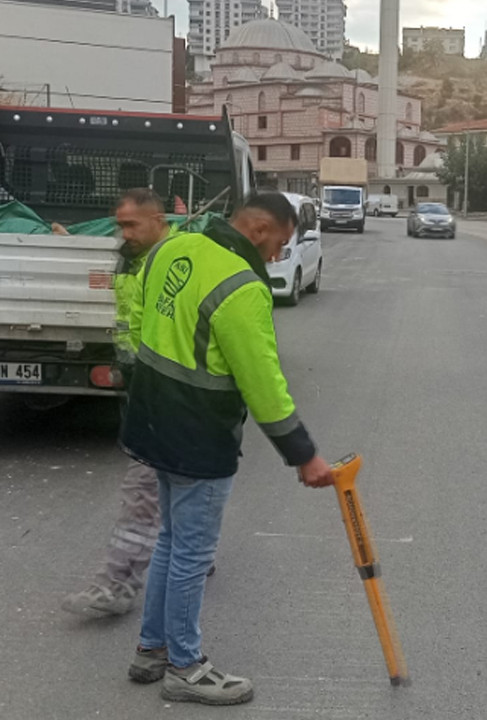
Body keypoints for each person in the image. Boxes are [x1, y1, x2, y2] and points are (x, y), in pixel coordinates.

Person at [122, 191, 334, 706]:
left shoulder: (174, 248)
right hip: (198, 431)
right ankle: (185, 667)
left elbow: (148, 319)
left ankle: (152, 649)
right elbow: (263, 383)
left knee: (171, 542)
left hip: (151, 415)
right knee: (192, 552)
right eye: (280, 244)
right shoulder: (240, 285)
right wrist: (304, 455)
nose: (278, 256)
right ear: (259, 229)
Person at [61, 188, 219, 618]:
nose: (123, 232)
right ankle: (194, 554)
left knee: (142, 493)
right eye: (119, 225)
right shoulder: (131, 258)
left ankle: (116, 585)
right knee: (173, 490)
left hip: (169, 395)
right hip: (144, 388)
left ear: (158, 220)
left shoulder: (179, 263)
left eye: (131, 225)